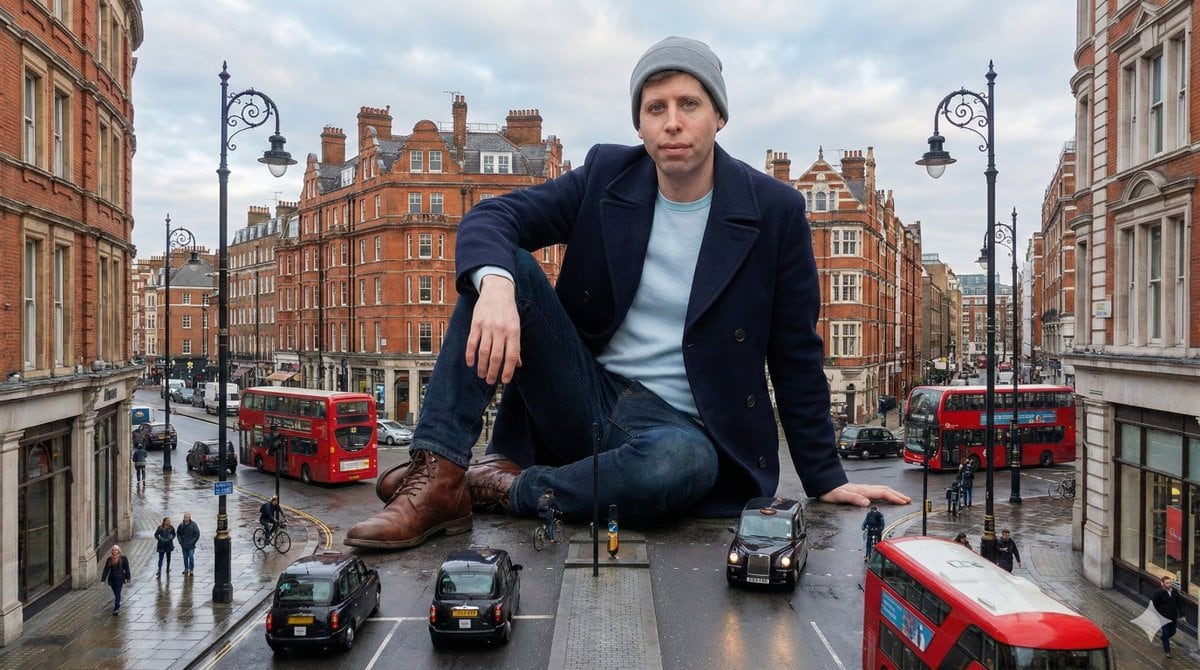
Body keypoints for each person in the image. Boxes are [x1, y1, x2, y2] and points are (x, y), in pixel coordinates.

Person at [345, 35, 909, 550]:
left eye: (688, 104)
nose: (672, 122)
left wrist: (826, 477)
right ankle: (438, 474)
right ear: (639, 123)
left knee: (680, 464)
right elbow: (494, 217)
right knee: (502, 262)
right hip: (587, 394)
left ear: (718, 115)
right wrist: (494, 283)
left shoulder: (774, 211)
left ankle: (497, 487)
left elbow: (795, 353)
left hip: (682, 430)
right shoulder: (606, 175)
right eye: (655, 108)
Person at [1153, 574, 1182, 658]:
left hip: (1173, 616)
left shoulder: (1175, 592)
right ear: (1162, 584)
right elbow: (1155, 604)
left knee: (1172, 632)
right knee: (1165, 633)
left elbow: (1179, 603)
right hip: (1163, 616)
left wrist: (1182, 614)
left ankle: (1164, 638)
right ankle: (1167, 651)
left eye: (1170, 583)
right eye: (1167, 583)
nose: (1169, 584)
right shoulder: (1159, 593)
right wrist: (1159, 614)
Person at [100, 545, 132, 615]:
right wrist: (103, 580)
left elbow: (127, 568)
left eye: (116, 550)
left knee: (118, 592)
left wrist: (128, 577)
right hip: (112, 578)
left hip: (120, 578)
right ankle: (118, 601)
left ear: (119, 551)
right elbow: (106, 569)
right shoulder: (109, 559)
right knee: (115, 592)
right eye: (113, 550)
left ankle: (116, 608)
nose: (115, 551)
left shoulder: (123, 558)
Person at [176, 512, 200, 576]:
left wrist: (193, 541)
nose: (186, 518)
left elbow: (197, 534)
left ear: (190, 518)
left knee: (191, 557)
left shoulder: (193, 525)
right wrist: (180, 541)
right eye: (185, 517)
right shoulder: (181, 525)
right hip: (183, 544)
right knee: (185, 557)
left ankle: (191, 569)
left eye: (187, 517)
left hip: (191, 545)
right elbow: (178, 534)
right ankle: (186, 568)